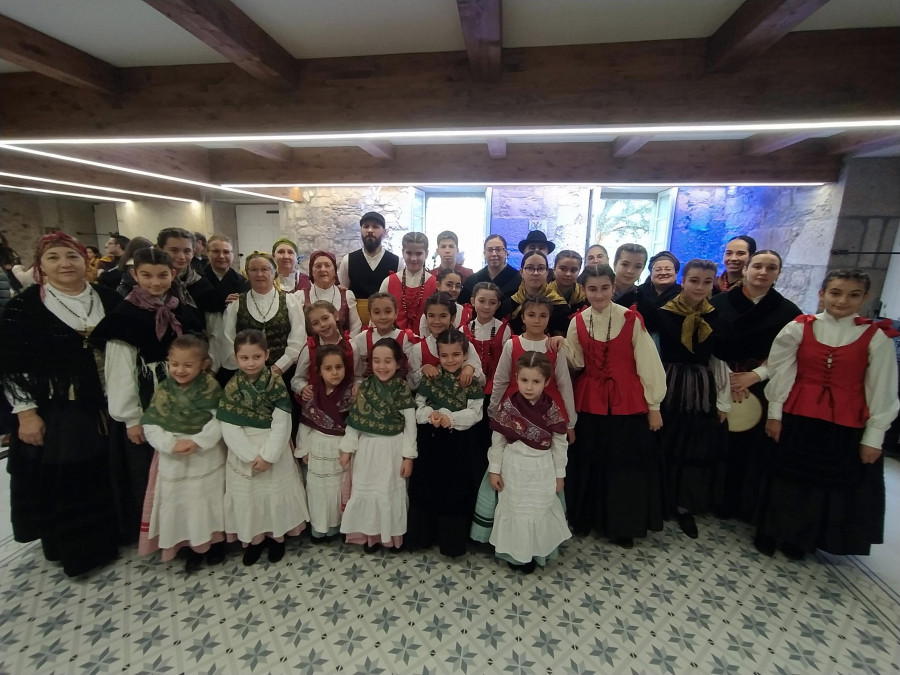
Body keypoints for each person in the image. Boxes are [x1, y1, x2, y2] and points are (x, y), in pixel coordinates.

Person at [0, 232, 122, 576]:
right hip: (61, 406)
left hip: (108, 400)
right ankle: (76, 550)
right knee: (71, 476)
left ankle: (112, 537)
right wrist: (25, 413)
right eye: (53, 258)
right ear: (40, 265)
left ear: (86, 262)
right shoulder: (24, 306)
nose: (64, 264)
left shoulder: (108, 298)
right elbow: (13, 364)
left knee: (106, 472)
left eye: (71, 256)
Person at [755, 270, 899, 560]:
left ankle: (802, 538)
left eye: (853, 294)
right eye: (835, 292)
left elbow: (881, 389)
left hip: (844, 421)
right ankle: (770, 530)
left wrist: (874, 436)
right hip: (799, 414)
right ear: (822, 294)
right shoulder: (799, 327)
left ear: (865, 297)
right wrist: (775, 414)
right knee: (785, 476)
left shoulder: (875, 337)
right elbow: (782, 372)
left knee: (823, 481)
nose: (843, 300)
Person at [90, 246, 204, 542]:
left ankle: (193, 527)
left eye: (162, 275)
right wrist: (131, 419)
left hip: (187, 397)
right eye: (147, 276)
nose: (155, 282)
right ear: (134, 275)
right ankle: (162, 533)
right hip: (148, 399)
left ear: (173, 274)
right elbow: (119, 371)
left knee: (187, 466)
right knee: (152, 471)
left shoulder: (181, 308)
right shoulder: (124, 315)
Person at [565, 264, 666, 548]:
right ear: (584, 290)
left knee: (624, 464)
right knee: (589, 460)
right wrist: (560, 346)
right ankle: (585, 518)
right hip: (590, 400)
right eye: (592, 289)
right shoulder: (578, 321)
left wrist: (654, 405)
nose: (599, 294)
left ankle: (622, 525)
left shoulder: (632, 319)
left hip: (628, 401)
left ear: (613, 287)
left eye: (605, 288)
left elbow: (648, 363)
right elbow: (578, 361)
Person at [709, 249, 801, 522]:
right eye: (757, 266)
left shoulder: (789, 311)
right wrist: (729, 378)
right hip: (721, 377)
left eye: (770, 268)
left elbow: (788, 354)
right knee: (718, 439)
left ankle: (744, 503)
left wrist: (755, 375)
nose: (763, 272)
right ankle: (713, 498)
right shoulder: (718, 303)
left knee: (752, 449)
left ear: (778, 274)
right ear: (746, 270)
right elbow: (709, 344)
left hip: (762, 384)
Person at [219, 329, 309, 565]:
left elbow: (282, 421)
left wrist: (268, 455)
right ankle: (254, 541)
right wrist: (250, 456)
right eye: (245, 358)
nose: (251, 363)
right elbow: (228, 425)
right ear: (236, 357)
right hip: (243, 451)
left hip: (273, 448)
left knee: (273, 494)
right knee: (250, 497)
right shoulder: (232, 387)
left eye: (257, 357)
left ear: (267, 354)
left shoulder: (276, 383)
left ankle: (277, 539)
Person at [656, 259, 731, 539]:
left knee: (693, 444)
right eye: (694, 281)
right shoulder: (662, 312)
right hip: (668, 381)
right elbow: (653, 350)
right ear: (683, 281)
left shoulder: (716, 316)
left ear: (714, 283)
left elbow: (718, 360)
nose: (699, 287)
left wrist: (723, 400)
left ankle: (684, 505)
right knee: (665, 440)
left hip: (700, 387)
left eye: (706, 282)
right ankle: (661, 499)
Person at [138, 335, 226, 572]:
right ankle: (189, 547)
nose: (180, 370)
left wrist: (198, 441)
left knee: (207, 501)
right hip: (173, 456)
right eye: (174, 364)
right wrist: (169, 444)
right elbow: (151, 422)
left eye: (188, 365)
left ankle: (215, 544)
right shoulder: (164, 389)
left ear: (203, 364)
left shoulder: (210, 387)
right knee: (181, 504)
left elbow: (220, 420)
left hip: (204, 456)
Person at [487, 351, 571, 573]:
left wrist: (559, 474)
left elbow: (560, 444)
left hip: (541, 468)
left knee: (537, 510)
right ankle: (515, 554)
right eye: (524, 380)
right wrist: (494, 470)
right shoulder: (508, 407)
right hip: (513, 467)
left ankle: (536, 553)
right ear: (516, 378)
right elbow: (498, 441)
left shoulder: (552, 409)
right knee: (515, 510)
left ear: (547, 382)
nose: (529, 387)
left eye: (536, 381)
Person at [408, 329, 485, 557]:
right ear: (438, 355)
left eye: (456, 355)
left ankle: (452, 543)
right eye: (445, 355)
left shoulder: (469, 380)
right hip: (431, 443)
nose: (450, 360)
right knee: (427, 487)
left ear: (464, 355)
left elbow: (475, 412)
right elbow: (418, 404)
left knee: (456, 491)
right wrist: (430, 415)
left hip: (459, 445)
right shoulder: (432, 377)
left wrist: (450, 419)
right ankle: (424, 536)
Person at [339, 337, 417, 552]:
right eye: (377, 361)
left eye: (388, 361)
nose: (382, 366)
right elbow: (355, 422)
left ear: (398, 363)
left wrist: (408, 457)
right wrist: (347, 449)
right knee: (368, 493)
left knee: (388, 494)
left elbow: (410, 426)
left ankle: (391, 538)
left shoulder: (401, 389)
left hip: (392, 449)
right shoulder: (365, 388)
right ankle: (370, 537)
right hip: (367, 450)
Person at [489, 295, 577, 435]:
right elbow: (500, 380)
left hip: (548, 409)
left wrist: (570, 423)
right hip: (515, 407)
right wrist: (493, 411)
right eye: (531, 315)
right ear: (523, 317)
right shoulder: (511, 345)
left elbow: (564, 384)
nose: (537, 320)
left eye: (543, 315)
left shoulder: (554, 347)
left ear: (549, 318)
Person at [296, 344, 353, 541]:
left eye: (339, 367)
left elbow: (354, 426)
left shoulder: (350, 394)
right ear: (319, 370)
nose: (335, 372)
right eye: (328, 368)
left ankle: (336, 527)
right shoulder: (313, 394)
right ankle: (319, 528)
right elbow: (304, 423)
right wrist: (303, 449)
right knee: (317, 490)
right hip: (317, 447)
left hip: (340, 448)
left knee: (337, 489)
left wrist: (348, 449)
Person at [219, 252, 306, 379]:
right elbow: (228, 341)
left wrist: (278, 368)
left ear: (274, 273)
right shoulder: (236, 304)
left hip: (283, 374)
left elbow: (298, 340)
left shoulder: (290, 301)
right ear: (247, 274)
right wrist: (248, 369)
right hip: (245, 375)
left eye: (265, 269)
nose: (259, 274)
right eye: (253, 270)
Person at [407, 292, 484, 391]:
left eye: (443, 316)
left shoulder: (465, 344)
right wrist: (422, 370)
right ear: (426, 317)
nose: (436, 321)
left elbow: (482, 381)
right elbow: (410, 385)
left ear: (452, 318)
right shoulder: (418, 349)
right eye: (431, 316)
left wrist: (470, 368)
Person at [337, 212, 401, 325]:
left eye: (375, 226)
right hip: (355, 321)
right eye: (366, 226)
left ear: (384, 232)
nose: (370, 230)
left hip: (385, 321)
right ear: (361, 231)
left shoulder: (397, 262)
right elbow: (343, 293)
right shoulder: (348, 260)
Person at [200, 235, 250, 374]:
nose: (221, 256)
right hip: (207, 337)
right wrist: (222, 302)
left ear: (233, 255)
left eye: (226, 252)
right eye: (216, 251)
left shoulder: (242, 282)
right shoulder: (198, 280)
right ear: (207, 253)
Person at [291, 300, 354, 403]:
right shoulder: (309, 349)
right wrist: (303, 388)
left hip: (346, 403)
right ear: (312, 328)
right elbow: (296, 379)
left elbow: (358, 376)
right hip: (318, 403)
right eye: (316, 323)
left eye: (325, 318)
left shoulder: (351, 346)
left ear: (335, 316)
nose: (322, 324)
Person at [350, 292, 416, 382]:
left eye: (388, 312)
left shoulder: (406, 338)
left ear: (396, 313)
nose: (383, 317)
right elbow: (358, 373)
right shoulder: (361, 338)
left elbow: (413, 370)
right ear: (370, 316)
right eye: (377, 312)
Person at [381, 232, 437, 335]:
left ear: (427, 254)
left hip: (425, 341)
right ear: (403, 252)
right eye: (409, 253)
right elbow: (379, 314)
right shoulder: (388, 282)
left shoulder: (435, 284)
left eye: (419, 254)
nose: (413, 259)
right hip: (392, 341)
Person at [157, 227, 220, 317]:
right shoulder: (149, 283)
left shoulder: (202, 284)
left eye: (187, 251)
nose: (182, 257)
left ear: (193, 252)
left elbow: (213, 323)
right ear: (160, 250)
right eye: (174, 250)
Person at [300, 250, 361, 337]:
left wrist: (348, 347)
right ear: (311, 271)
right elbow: (299, 330)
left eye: (327, 265)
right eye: (318, 266)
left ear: (334, 271)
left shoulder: (347, 295)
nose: (323, 269)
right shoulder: (301, 296)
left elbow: (355, 327)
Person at [508, 251, 570, 336]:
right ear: (521, 272)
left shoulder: (560, 306)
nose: (535, 273)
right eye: (530, 268)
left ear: (547, 272)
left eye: (541, 268)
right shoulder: (509, 305)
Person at [458, 235, 522, 313]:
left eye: (498, 249)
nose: (494, 254)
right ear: (484, 254)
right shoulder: (472, 281)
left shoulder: (518, 280)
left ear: (505, 253)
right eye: (490, 250)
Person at [612, 243, 659, 333]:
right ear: (615, 264)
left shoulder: (647, 303)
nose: (630, 271)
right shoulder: (597, 292)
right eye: (625, 264)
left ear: (643, 269)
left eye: (637, 266)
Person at [418, 267, 469, 334]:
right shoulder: (428, 312)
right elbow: (425, 342)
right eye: (449, 285)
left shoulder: (464, 313)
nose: (454, 289)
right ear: (438, 285)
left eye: (458, 286)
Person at [548, 249, 588, 325]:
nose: (568, 274)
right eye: (563, 269)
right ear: (554, 269)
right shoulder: (544, 295)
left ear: (579, 271)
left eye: (574, 270)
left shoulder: (585, 295)